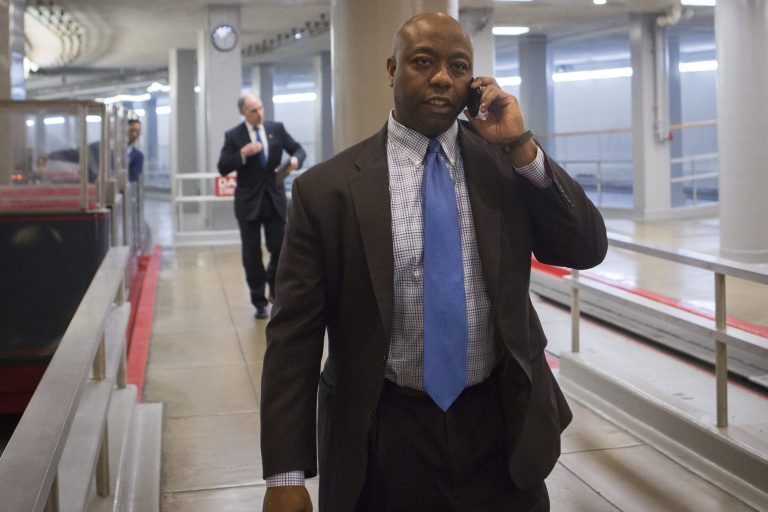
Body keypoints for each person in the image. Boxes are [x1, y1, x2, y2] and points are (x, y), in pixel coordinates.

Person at [260, 12, 607, 512]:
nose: (443, 77)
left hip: (501, 428)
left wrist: (519, 144)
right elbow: (294, 336)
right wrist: (284, 474)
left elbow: (584, 248)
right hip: (384, 435)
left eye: (459, 66)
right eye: (424, 62)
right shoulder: (327, 191)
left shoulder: (504, 168)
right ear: (391, 69)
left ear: (473, 83)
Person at [217, 93, 306, 319]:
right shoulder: (234, 135)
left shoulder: (276, 128)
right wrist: (242, 154)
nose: (259, 114)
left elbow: (298, 149)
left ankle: (274, 286)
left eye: (260, 108)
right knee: (251, 251)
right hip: (248, 203)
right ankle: (258, 299)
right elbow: (223, 167)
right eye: (253, 111)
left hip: (274, 199)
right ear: (243, 113)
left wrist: (296, 160)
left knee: (279, 246)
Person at [127, 119, 144, 183]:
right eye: (132, 131)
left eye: (138, 131)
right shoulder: (109, 151)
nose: (135, 134)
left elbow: (133, 179)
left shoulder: (138, 156)